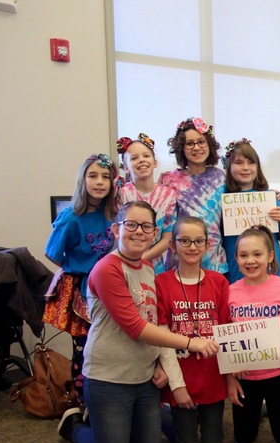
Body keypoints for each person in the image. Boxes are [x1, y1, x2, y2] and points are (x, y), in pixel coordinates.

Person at [56, 201, 219, 443]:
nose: (138, 231)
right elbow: (135, 327)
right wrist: (191, 343)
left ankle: (118, 422)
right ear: (116, 230)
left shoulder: (146, 269)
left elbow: (157, 325)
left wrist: (160, 364)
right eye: (131, 224)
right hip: (109, 377)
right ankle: (74, 425)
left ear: (155, 233)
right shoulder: (107, 269)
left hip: (144, 379)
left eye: (146, 226)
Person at [43, 153, 118, 404]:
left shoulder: (113, 213)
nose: (99, 182)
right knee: (85, 346)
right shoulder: (71, 216)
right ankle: (83, 400)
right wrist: (77, 267)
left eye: (105, 177)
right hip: (81, 291)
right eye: (93, 176)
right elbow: (52, 252)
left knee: (110, 340)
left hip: (109, 285)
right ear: (83, 180)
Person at [226, 225, 280, 443]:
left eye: (257, 254)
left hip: (279, 372)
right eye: (243, 255)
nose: (250, 261)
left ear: (270, 256)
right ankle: (266, 408)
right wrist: (230, 378)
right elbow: (225, 339)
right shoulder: (229, 292)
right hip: (246, 377)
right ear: (236, 258)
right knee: (243, 439)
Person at [156, 217, 230, 443]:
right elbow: (161, 336)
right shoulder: (161, 283)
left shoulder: (219, 282)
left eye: (199, 241)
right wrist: (177, 386)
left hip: (212, 376)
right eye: (184, 241)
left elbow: (227, 328)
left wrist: (231, 378)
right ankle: (162, 415)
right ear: (172, 245)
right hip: (181, 375)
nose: (192, 247)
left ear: (208, 245)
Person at [221, 138, 280, 283]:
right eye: (239, 162)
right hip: (236, 276)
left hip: (271, 275)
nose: (246, 167)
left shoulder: (270, 198)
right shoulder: (220, 198)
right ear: (229, 167)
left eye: (251, 162)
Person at [161, 117, 226, 273]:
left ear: (209, 145)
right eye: (189, 144)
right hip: (180, 262)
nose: (196, 147)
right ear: (181, 149)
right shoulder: (170, 180)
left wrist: (271, 195)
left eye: (201, 142)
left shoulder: (222, 177)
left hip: (215, 264)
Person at [116, 133, 178, 274]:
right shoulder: (122, 195)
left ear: (155, 162)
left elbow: (166, 238)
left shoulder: (168, 195)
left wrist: (142, 259)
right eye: (134, 158)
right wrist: (130, 261)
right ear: (126, 167)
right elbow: (117, 234)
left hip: (155, 268)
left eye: (146, 156)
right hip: (124, 264)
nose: (141, 160)